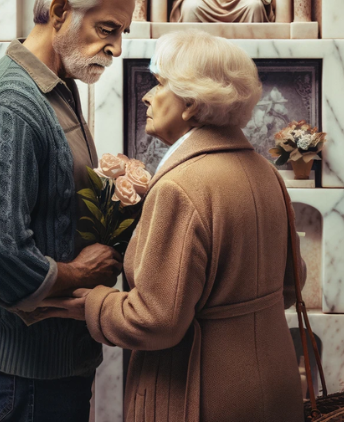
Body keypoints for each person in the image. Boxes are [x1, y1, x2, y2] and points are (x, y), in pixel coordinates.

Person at [39, 29, 307, 421]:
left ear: (191, 102)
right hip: (275, 385)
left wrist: (91, 304)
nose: (147, 95)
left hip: (204, 393)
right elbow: (290, 285)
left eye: (159, 83)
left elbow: (156, 322)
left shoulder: (182, 186)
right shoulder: (267, 173)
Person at [0, 0, 153, 422]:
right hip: (27, 370)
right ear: (61, 11)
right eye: (108, 29)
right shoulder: (12, 102)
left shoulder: (57, 88)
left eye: (122, 32)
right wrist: (81, 274)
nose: (117, 47)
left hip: (55, 364)